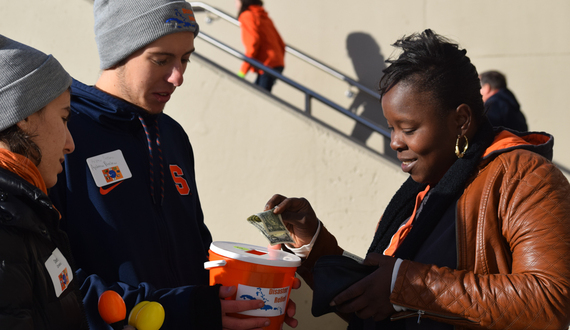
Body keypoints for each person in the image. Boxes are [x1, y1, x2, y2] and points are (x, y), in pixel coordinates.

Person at [264, 29, 570, 329]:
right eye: (391, 127)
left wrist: (406, 285)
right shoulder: (423, 190)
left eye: (408, 128)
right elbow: (374, 302)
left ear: (460, 120)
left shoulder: (526, 177)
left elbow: (550, 301)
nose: (394, 142)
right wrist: (312, 244)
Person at [48, 1, 298, 329]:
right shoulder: (64, 130)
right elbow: (50, 276)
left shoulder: (172, 134)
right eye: (161, 59)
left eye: (185, 59)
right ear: (117, 52)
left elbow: (193, 250)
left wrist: (244, 292)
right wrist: (182, 311)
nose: (178, 77)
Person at [0, 35, 87, 329]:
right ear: (22, 115)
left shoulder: (23, 210)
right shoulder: (6, 223)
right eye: (64, 118)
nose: (70, 144)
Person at [236, 0, 286, 92]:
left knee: (260, 99)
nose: (236, 3)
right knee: (257, 95)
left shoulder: (247, 16)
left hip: (267, 64)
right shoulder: (264, 17)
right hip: (277, 63)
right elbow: (281, 44)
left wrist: (242, 72)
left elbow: (252, 44)